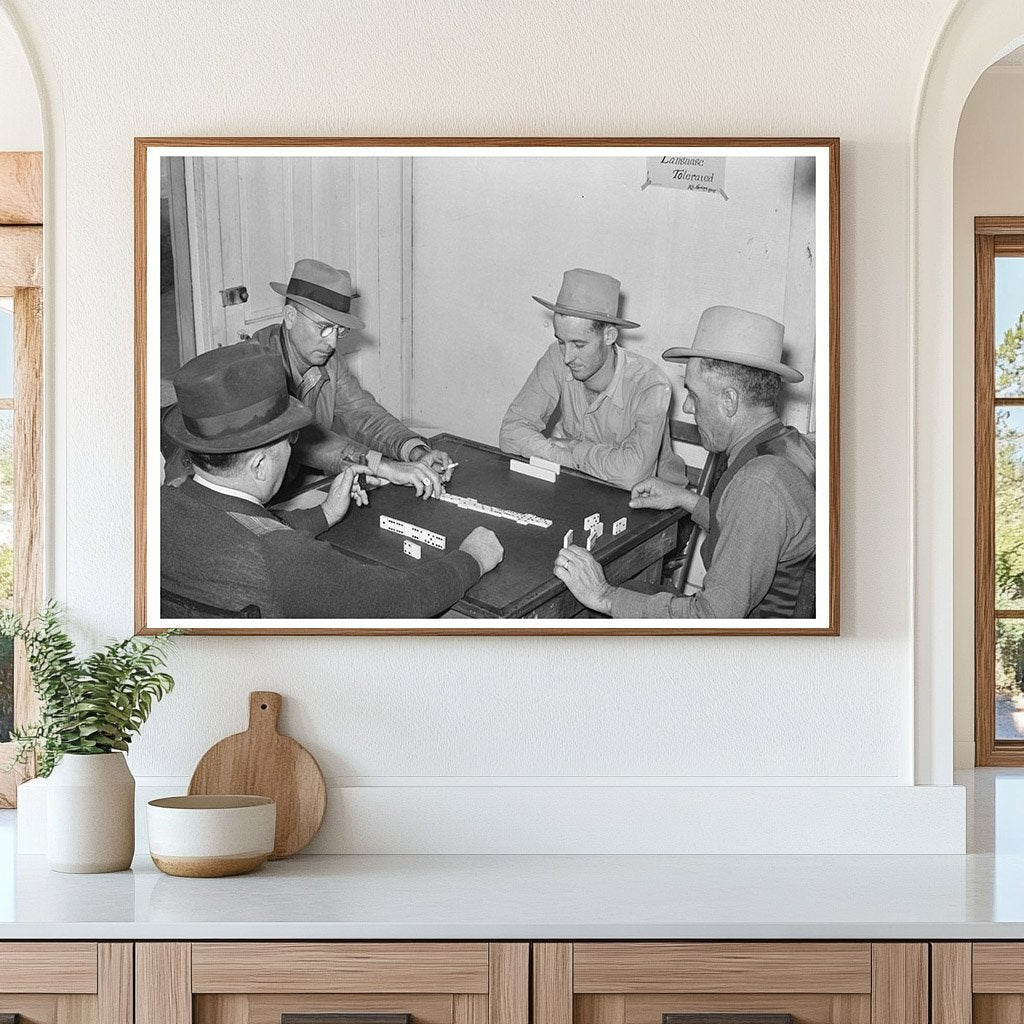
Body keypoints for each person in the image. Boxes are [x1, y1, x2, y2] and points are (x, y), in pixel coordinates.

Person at [160, 343, 503, 619]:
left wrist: (323, 514)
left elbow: (235, 528)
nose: (294, 446)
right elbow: (401, 601)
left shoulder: (159, 506)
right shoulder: (286, 559)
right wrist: (471, 558)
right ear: (260, 465)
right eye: (289, 440)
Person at [553, 305, 816, 619]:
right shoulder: (788, 444)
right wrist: (685, 499)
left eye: (693, 393)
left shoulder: (758, 484)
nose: (689, 407)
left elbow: (711, 619)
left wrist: (605, 596)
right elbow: (752, 527)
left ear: (729, 402)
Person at [250, 258, 451, 498]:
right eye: (324, 328)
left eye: (339, 331)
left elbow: (364, 414)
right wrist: (383, 466)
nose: (332, 342)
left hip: (299, 485)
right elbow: (300, 439)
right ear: (290, 316)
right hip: (255, 497)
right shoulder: (256, 365)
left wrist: (415, 451)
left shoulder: (329, 361)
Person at [498, 268, 674, 490]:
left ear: (609, 336)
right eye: (562, 342)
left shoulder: (650, 384)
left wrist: (571, 448)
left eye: (579, 345)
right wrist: (566, 457)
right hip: (581, 486)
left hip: (652, 507)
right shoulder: (556, 356)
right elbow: (511, 432)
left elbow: (631, 476)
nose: (568, 356)